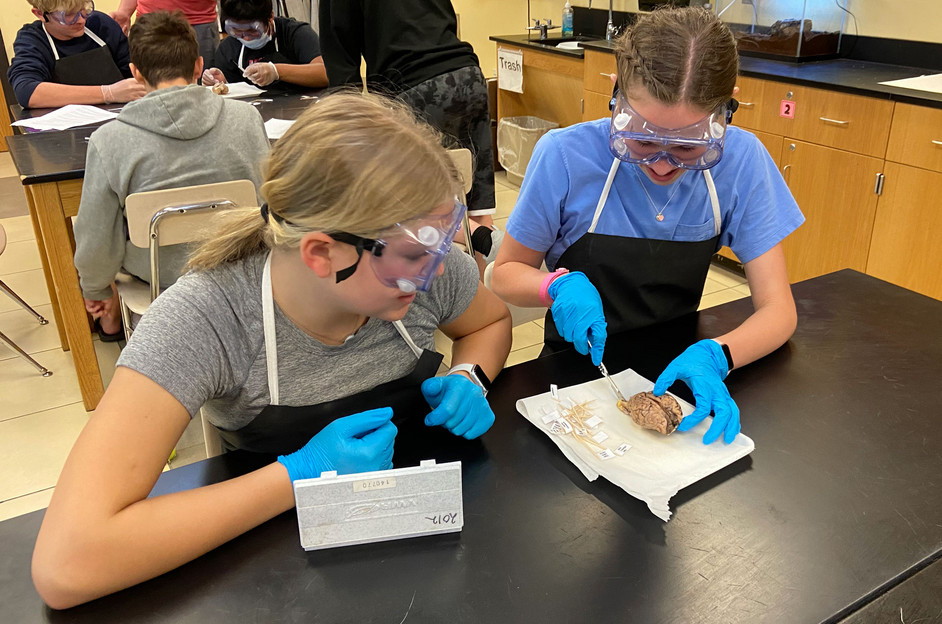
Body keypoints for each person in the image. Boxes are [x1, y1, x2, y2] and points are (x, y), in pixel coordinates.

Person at [32, 92, 512, 609]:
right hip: (275, 573)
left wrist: (469, 375)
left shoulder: (418, 275)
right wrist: (299, 474)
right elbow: (69, 562)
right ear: (322, 253)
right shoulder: (208, 317)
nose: (436, 271)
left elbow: (491, 320)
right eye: (417, 256)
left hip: (417, 550)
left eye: (440, 247)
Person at [491, 7, 804, 445]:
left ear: (726, 110)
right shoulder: (563, 156)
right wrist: (553, 288)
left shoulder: (743, 161)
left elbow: (779, 310)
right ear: (616, 92)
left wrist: (720, 355)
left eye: (687, 146)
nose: (661, 163)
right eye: (641, 139)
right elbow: (503, 274)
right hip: (571, 371)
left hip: (679, 373)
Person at [72, 10, 269, 340]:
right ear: (198, 65)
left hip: (158, 277)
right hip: (240, 265)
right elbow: (270, 204)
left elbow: (96, 241)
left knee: (89, 226)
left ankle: (112, 323)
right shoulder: (246, 119)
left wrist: (96, 288)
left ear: (135, 73)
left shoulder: (109, 140)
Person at [318, 0, 500, 263]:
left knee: (418, 211)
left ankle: (437, 291)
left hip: (413, 86)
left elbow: (342, 67)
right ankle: (484, 287)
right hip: (467, 75)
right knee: (475, 204)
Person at [8, 0, 145, 108]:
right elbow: (27, 92)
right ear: (39, 14)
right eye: (68, 15)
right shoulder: (33, 40)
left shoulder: (100, 25)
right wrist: (107, 93)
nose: (81, 20)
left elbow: (138, 73)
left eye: (84, 9)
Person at [201, 0, 327, 92]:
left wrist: (277, 71)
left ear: (270, 17)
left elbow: (325, 73)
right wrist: (222, 82)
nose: (245, 37)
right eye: (236, 31)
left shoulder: (295, 33)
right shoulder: (227, 49)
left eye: (252, 30)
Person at [110, 0, 220, 70]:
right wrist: (125, 11)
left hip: (198, 23)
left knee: (201, 88)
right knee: (146, 88)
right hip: (148, 22)